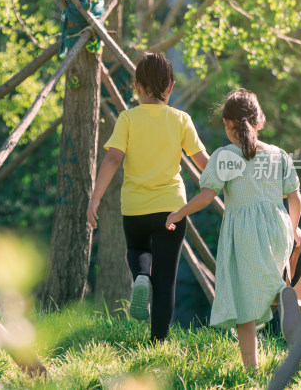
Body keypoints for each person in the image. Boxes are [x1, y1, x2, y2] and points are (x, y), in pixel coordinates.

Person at [165, 89, 301, 370]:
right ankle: (282, 295)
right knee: (268, 281)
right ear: (260, 122)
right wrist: (294, 231)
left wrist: (180, 212)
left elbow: (206, 196)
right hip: (279, 229)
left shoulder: (225, 156)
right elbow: (296, 198)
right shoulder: (279, 155)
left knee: (244, 302)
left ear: (228, 125)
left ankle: (251, 369)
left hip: (245, 234)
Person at [86, 53, 209, 342]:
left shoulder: (127, 119)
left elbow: (113, 159)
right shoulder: (181, 119)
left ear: (137, 87)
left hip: (135, 207)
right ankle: (158, 344)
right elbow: (204, 162)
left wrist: (95, 199)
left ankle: (141, 276)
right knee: (166, 281)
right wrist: (233, 174)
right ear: (171, 87)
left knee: (137, 250)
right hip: (172, 209)